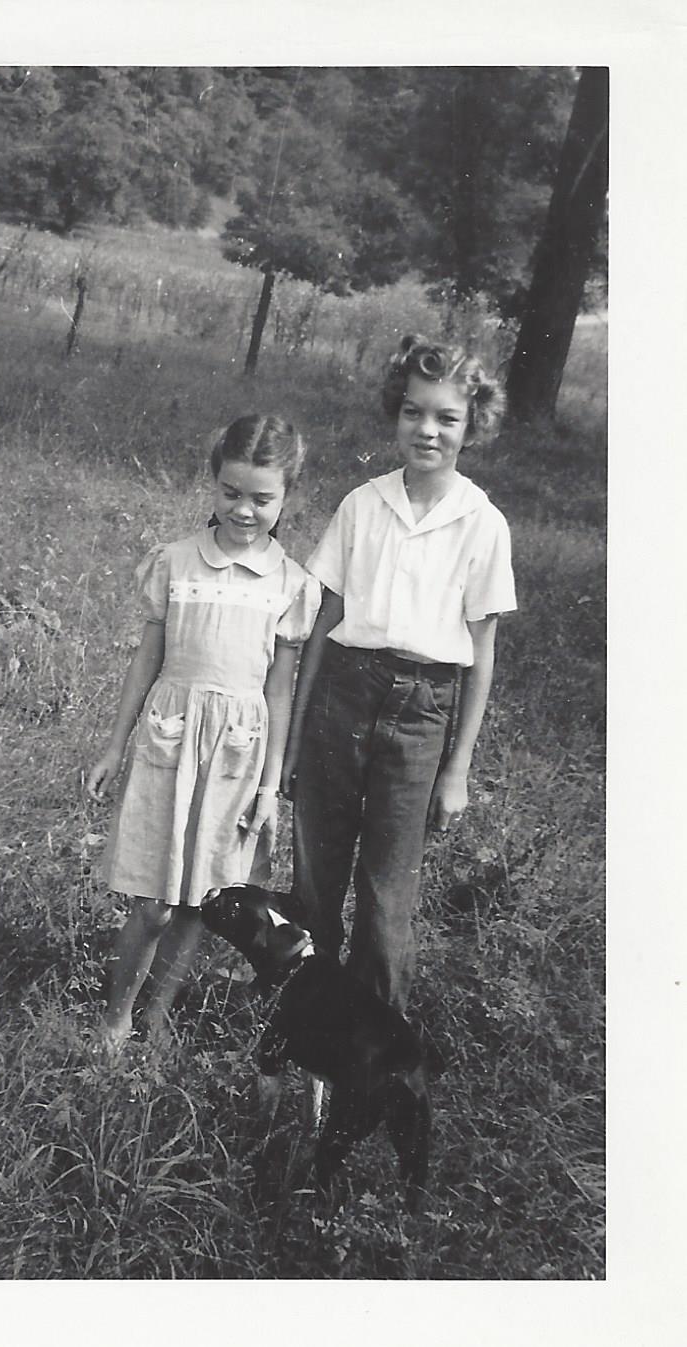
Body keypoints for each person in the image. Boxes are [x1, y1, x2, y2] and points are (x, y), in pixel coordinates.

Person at [282, 335, 516, 1014]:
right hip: (342, 694)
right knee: (317, 871)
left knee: (386, 893)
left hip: (422, 710)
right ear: (396, 413)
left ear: (472, 425)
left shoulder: (482, 523)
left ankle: (370, 1040)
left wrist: (458, 768)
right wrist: (296, 738)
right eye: (414, 412)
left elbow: (482, 652)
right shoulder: (363, 504)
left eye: (447, 417)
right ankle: (307, 1019)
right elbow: (324, 620)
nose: (428, 430)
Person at [86, 414, 321, 1053]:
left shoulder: (292, 583)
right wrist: (115, 743)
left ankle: (160, 1012)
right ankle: (118, 1015)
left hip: (238, 752)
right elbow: (148, 657)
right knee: (157, 900)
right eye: (231, 493)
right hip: (173, 736)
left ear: (287, 497)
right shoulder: (175, 562)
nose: (244, 510)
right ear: (214, 485)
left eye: (262, 499)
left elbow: (280, 688)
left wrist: (270, 786)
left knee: (201, 899)